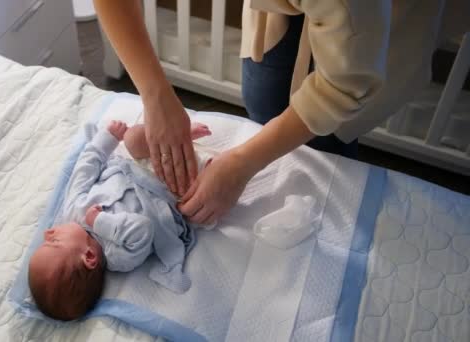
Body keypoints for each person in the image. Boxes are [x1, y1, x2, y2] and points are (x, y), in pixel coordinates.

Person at [94, 0, 444, 225]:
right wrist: (155, 96)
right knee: (262, 92)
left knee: (326, 148)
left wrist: (244, 163)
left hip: (363, 28)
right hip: (304, 16)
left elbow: (345, 85)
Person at [27, 120, 212, 321]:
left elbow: (83, 171)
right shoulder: (118, 257)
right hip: (168, 191)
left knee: (133, 138)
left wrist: (107, 139)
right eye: (53, 242)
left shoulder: (73, 211)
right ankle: (190, 152)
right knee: (204, 193)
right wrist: (99, 221)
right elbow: (143, 228)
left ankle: (176, 135)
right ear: (89, 257)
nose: (49, 233)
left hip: (134, 164)